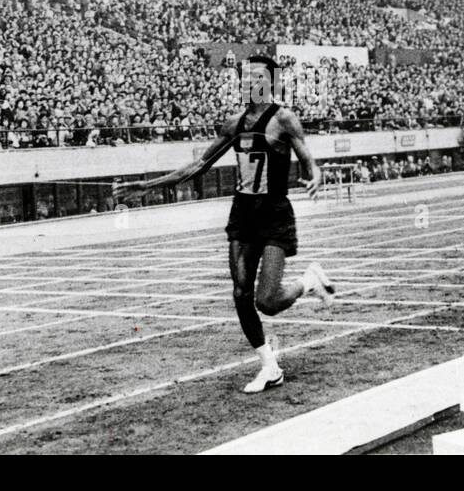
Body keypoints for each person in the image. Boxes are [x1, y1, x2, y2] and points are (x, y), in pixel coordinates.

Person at [114, 54, 334, 394]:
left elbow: (307, 157)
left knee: (268, 301)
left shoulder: (284, 119)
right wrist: (147, 187)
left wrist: (315, 176)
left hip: (274, 214)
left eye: (257, 77)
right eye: (245, 77)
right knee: (241, 293)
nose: (249, 83)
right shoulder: (235, 124)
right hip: (243, 215)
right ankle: (269, 366)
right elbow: (197, 167)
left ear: (272, 82)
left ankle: (308, 281)